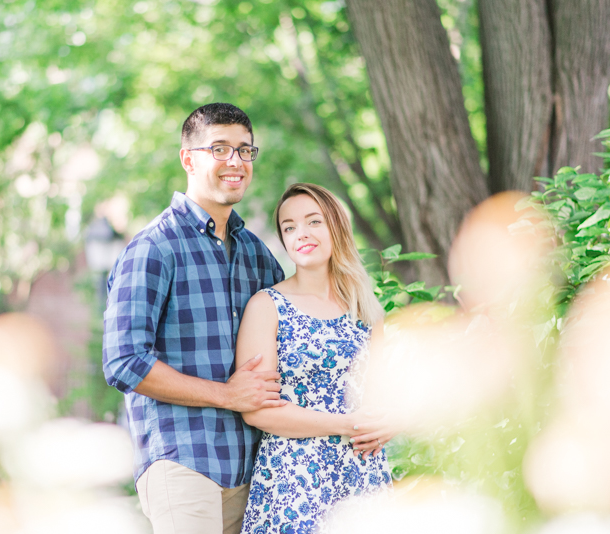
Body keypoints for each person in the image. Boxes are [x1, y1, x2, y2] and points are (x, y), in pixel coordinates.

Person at [102, 103, 286, 534]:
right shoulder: (154, 247)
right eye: (219, 149)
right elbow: (123, 361)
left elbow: (294, 340)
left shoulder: (257, 255)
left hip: (253, 465)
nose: (235, 162)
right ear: (189, 158)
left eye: (244, 150)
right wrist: (227, 395)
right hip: (182, 459)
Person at [236, 183, 393, 534]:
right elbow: (257, 409)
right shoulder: (267, 306)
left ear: (336, 226)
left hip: (362, 475)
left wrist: (390, 422)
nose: (300, 234)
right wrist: (344, 425)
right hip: (295, 482)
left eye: (313, 222)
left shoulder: (365, 308)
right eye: (289, 227)